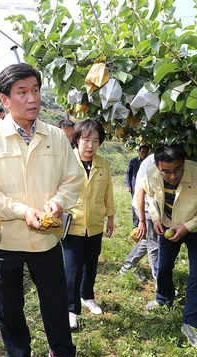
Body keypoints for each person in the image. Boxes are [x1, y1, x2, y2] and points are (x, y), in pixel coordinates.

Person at [0, 63, 84, 357]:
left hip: (46, 242)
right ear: (5, 99)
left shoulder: (56, 137)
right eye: (22, 92)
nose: (32, 99)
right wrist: (21, 211)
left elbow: (72, 179)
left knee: (55, 305)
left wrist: (58, 202)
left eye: (35, 90)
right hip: (4, 241)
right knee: (9, 308)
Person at [144, 144, 197, 348]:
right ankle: (163, 298)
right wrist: (155, 218)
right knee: (164, 266)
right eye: (166, 171)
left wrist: (187, 226)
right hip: (168, 226)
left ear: (184, 161)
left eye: (177, 169)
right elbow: (150, 196)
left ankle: (193, 324)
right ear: (158, 167)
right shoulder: (152, 173)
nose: (172, 176)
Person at [62, 118, 115, 330]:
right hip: (72, 225)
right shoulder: (66, 162)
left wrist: (110, 217)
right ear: (76, 140)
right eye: (86, 140)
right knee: (72, 268)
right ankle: (72, 309)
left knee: (91, 264)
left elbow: (108, 192)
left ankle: (87, 296)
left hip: (94, 225)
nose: (90, 145)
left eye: (95, 140)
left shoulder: (103, 164)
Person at [119, 153, 158, 281]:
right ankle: (160, 282)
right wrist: (141, 220)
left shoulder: (157, 159)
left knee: (148, 240)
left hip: (153, 207)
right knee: (153, 244)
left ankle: (127, 266)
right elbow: (140, 192)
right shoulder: (152, 162)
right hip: (146, 207)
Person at [126, 144, 149, 227]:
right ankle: (136, 223)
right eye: (142, 152)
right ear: (139, 152)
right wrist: (128, 185)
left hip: (146, 187)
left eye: (146, 153)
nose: (144, 154)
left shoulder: (148, 162)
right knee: (135, 204)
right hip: (135, 187)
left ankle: (144, 222)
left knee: (145, 204)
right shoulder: (133, 161)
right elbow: (129, 173)